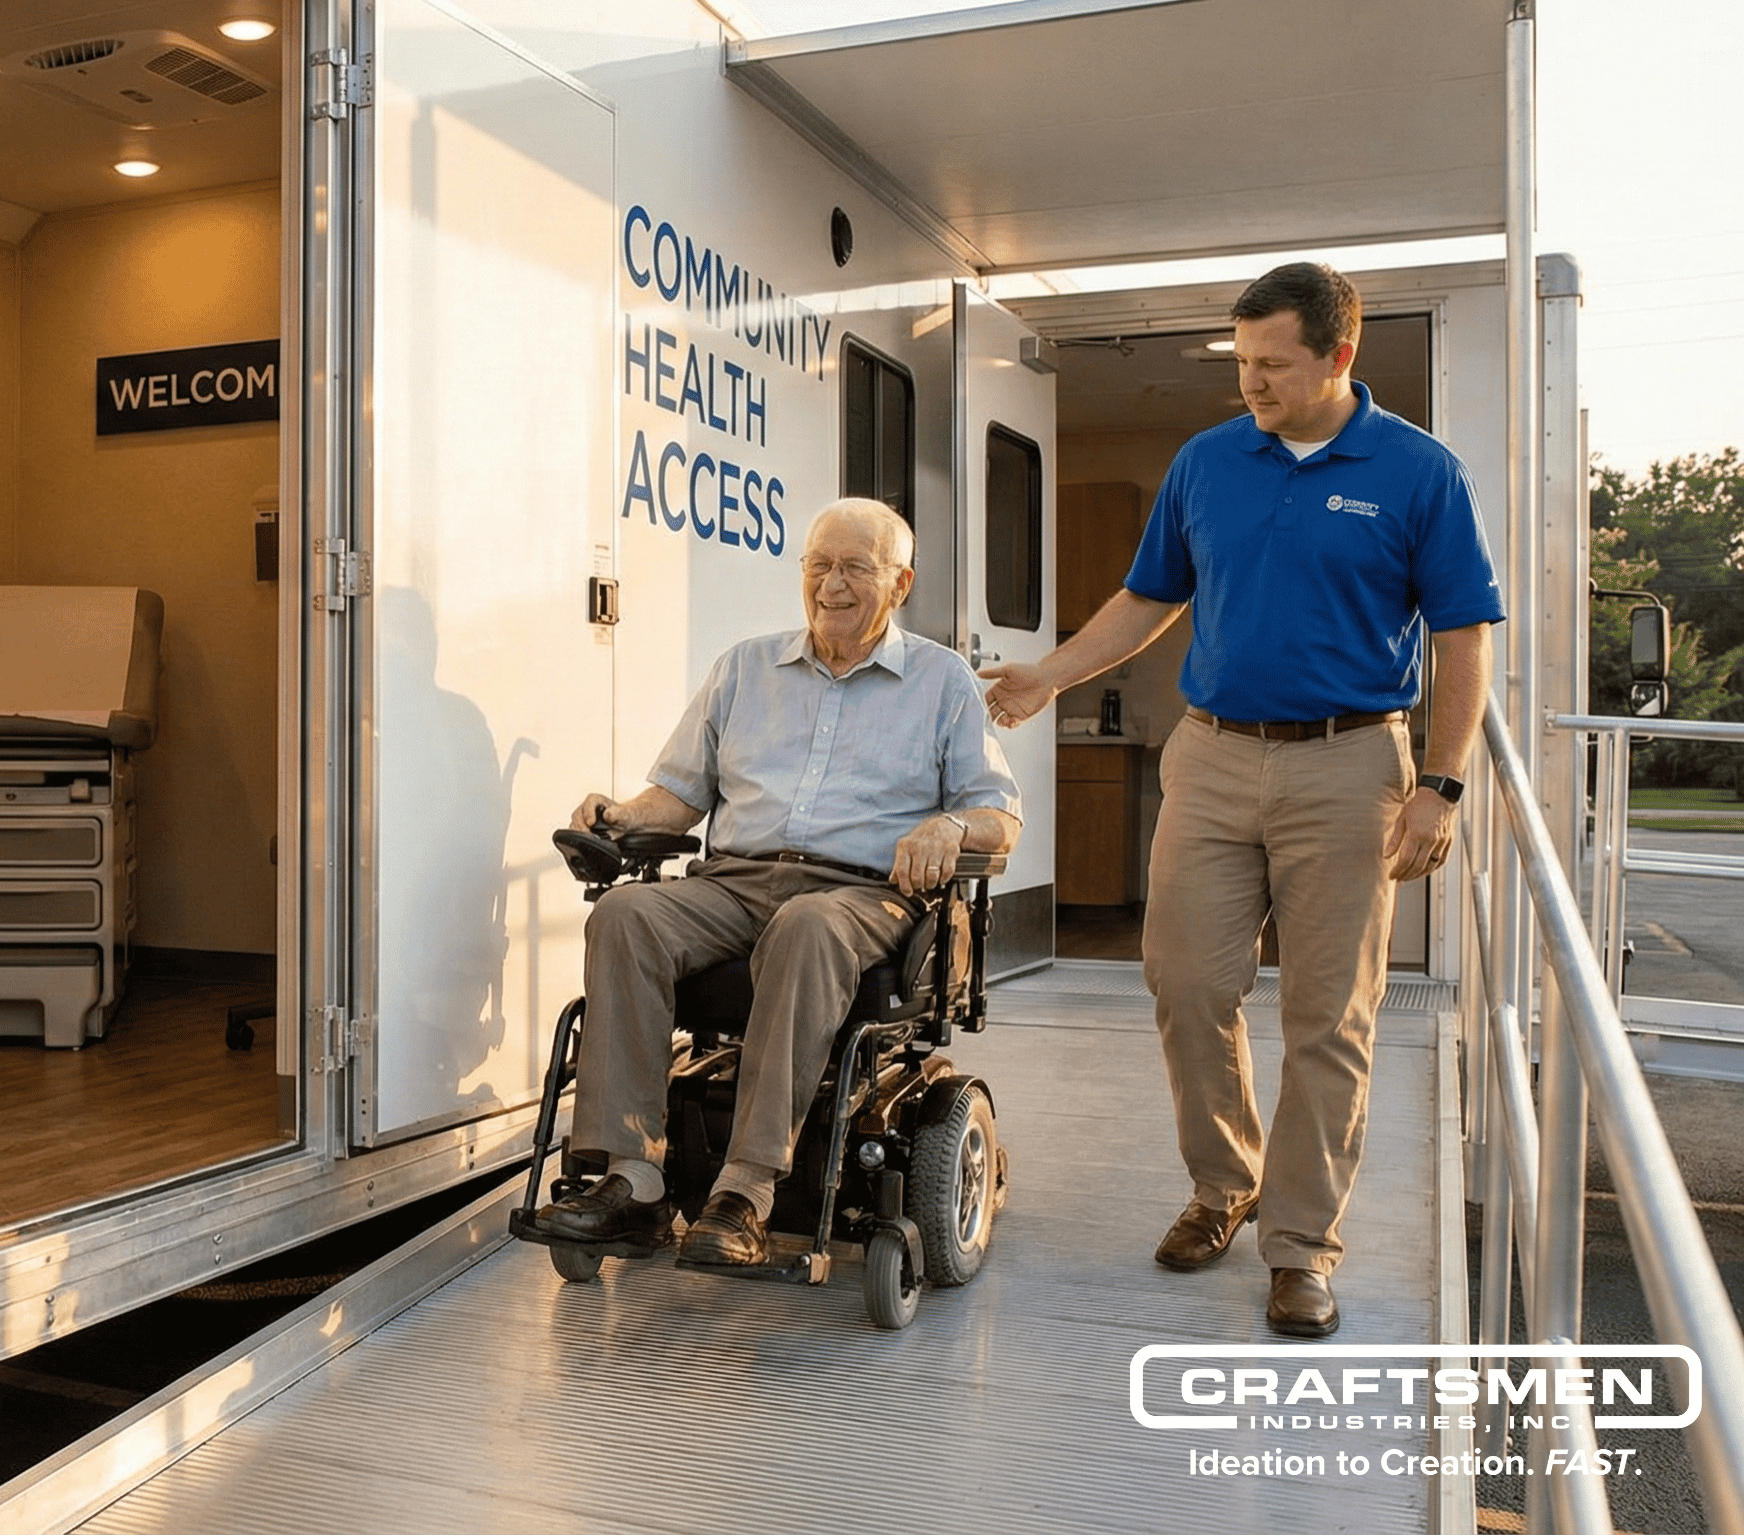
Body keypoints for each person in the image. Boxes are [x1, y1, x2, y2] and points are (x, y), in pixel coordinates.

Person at [980, 262, 1502, 1338]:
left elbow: (1462, 637)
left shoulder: (1417, 471)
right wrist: (1051, 672)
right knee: (1182, 982)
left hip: (1350, 764)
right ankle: (1225, 1184)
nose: (1250, 384)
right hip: (1211, 756)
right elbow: (1147, 597)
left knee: (1327, 1017)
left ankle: (1301, 1244)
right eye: (1241, 363)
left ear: (1337, 356)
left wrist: (1440, 785)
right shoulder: (1206, 461)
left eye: (1272, 365)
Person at [531, 498, 1021, 1267]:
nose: (832, 585)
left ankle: (746, 1191)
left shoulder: (942, 682)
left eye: (857, 567)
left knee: (809, 926)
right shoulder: (744, 667)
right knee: (625, 914)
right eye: (819, 565)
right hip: (735, 880)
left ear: (900, 584)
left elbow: (1000, 817)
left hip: (860, 894)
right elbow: (679, 795)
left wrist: (953, 827)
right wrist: (621, 814)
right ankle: (632, 1181)